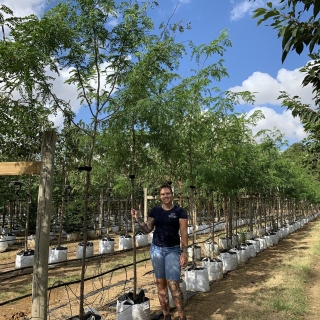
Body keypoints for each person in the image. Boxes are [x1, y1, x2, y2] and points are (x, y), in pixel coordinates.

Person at [131, 184, 188, 320]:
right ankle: (166, 315)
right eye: (163, 194)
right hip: (156, 250)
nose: (165, 196)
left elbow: (184, 233)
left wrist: (184, 252)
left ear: (172, 194)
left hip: (173, 250)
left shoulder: (180, 212)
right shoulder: (155, 211)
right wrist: (137, 218)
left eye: (167, 193)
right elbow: (147, 229)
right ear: (160, 196)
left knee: (173, 284)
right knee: (160, 283)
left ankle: (182, 316)